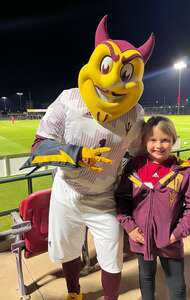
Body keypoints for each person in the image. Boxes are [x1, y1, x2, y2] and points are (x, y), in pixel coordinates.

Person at [20, 15, 155, 300]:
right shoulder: (68, 100)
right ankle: (74, 293)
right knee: (67, 250)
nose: (112, 82)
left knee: (112, 257)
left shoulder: (135, 113)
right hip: (68, 191)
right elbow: (37, 150)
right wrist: (77, 156)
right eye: (107, 67)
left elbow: (138, 155)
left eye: (126, 73)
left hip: (105, 195)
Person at [115, 115, 190, 300]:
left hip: (170, 241)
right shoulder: (134, 167)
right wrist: (130, 228)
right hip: (141, 239)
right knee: (146, 280)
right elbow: (122, 199)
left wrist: (178, 232)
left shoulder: (183, 171)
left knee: (177, 286)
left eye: (165, 140)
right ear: (144, 141)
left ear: (173, 141)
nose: (159, 145)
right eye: (153, 140)